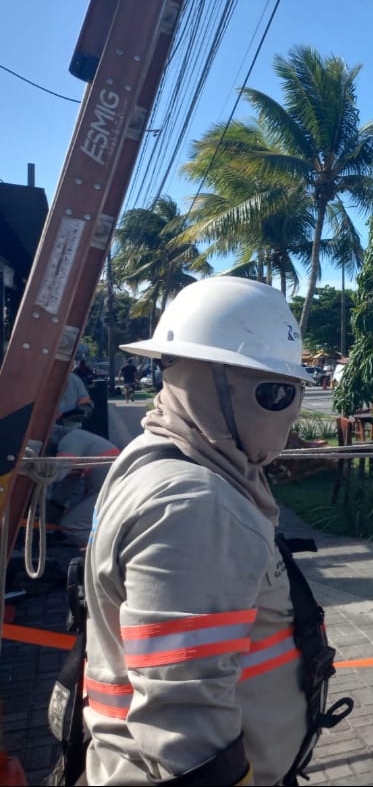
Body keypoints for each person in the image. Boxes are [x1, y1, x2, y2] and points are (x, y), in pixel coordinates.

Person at [80, 276, 342, 785]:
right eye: (274, 393)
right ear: (208, 384)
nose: (288, 415)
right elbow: (184, 722)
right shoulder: (195, 503)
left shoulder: (154, 455)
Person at [46, 424, 120, 548]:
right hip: (111, 490)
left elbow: (57, 473)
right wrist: (52, 512)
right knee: (75, 523)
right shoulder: (79, 441)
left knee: (71, 525)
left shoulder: (72, 439)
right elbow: (67, 485)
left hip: (114, 491)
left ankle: (108, 552)